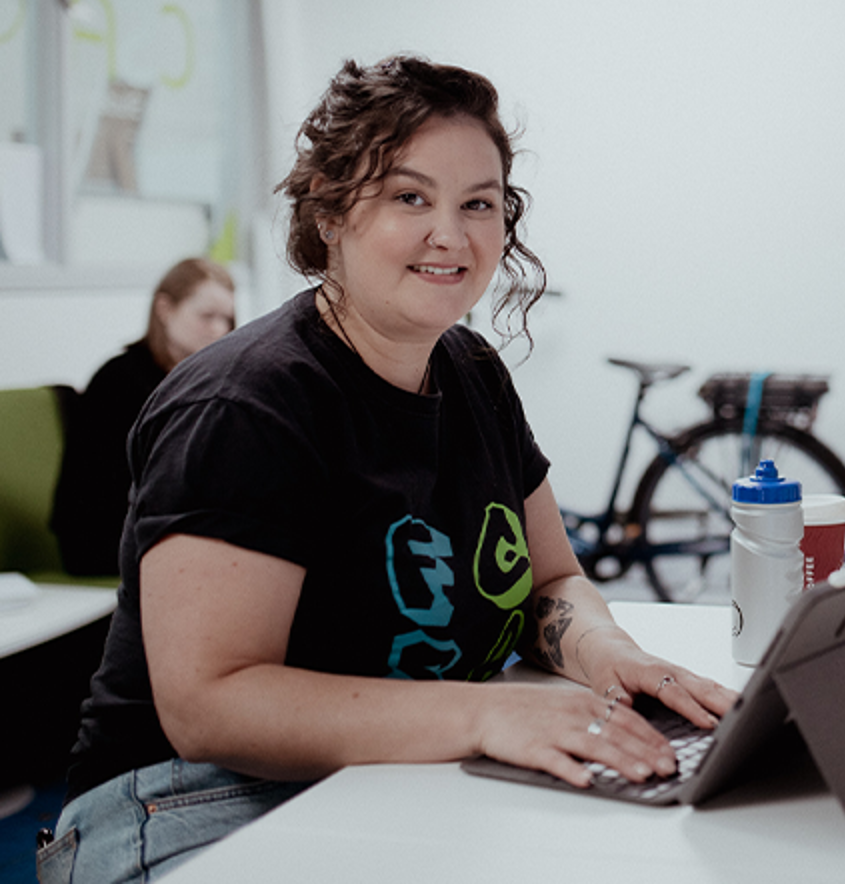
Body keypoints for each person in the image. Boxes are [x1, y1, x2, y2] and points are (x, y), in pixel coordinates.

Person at [41, 56, 737, 884]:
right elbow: (211, 705)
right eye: (411, 197)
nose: (452, 234)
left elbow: (551, 579)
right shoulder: (246, 405)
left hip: (394, 773)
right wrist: (485, 713)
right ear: (330, 212)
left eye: (478, 203)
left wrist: (609, 654)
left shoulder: (473, 371)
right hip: (185, 803)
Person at [50, 257, 236, 576]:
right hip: (107, 540)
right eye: (207, 316)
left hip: (162, 530)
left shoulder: (205, 381)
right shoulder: (121, 381)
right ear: (165, 309)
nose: (219, 330)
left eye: (227, 320)